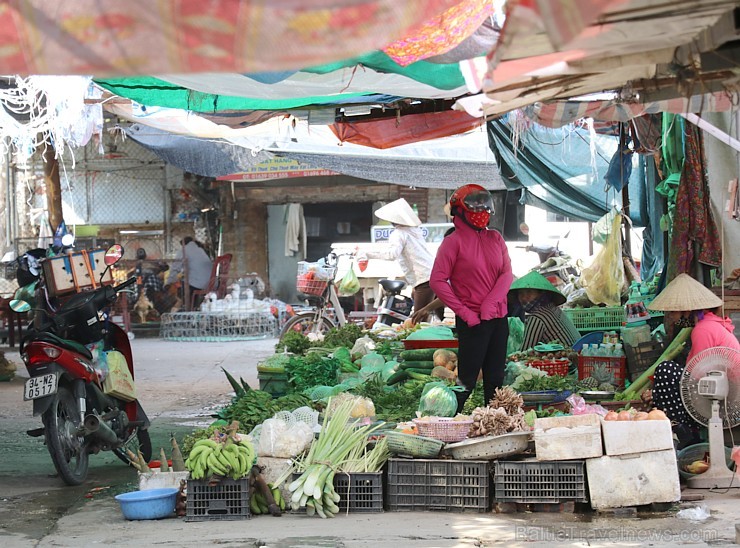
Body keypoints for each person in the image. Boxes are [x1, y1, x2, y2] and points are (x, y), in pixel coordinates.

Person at [430, 184, 513, 411]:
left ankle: (495, 422)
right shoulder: (452, 242)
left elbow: (507, 274)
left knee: (495, 380)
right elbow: (437, 281)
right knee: (466, 381)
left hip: (498, 319)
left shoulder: (495, 238)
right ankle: (446, 422)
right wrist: (465, 312)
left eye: (485, 209)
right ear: (460, 211)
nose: (482, 213)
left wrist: (490, 302)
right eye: (475, 209)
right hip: (472, 323)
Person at [645, 273, 739, 448]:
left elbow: (694, 377)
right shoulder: (709, 325)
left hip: (724, 396)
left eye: (673, 312)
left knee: (665, 370)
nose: (671, 317)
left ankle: (685, 433)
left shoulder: (703, 329)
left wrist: (657, 394)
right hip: (717, 389)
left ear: (686, 310)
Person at [359, 198, 442, 322]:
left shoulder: (398, 233)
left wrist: (366, 253)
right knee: (439, 313)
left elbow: (392, 254)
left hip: (424, 278)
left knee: (418, 319)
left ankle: (420, 340)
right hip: (433, 274)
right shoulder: (414, 230)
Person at [508, 271, 581, 350]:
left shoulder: (537, 317)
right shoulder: (552, 308)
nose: (524, 297)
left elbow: (524, 351)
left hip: (568, 358)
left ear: (541, 294)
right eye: (521, 293)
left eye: (529, 292)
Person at [166, 237, 213, 309]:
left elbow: (175, 268)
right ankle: (194, 306)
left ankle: (185, 308)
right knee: (189, 280)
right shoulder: (200, 250)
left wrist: (168, 282)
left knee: (181, 287)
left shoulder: (183, 250)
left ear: (183, 244)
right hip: (210, 282)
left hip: (197, 284)